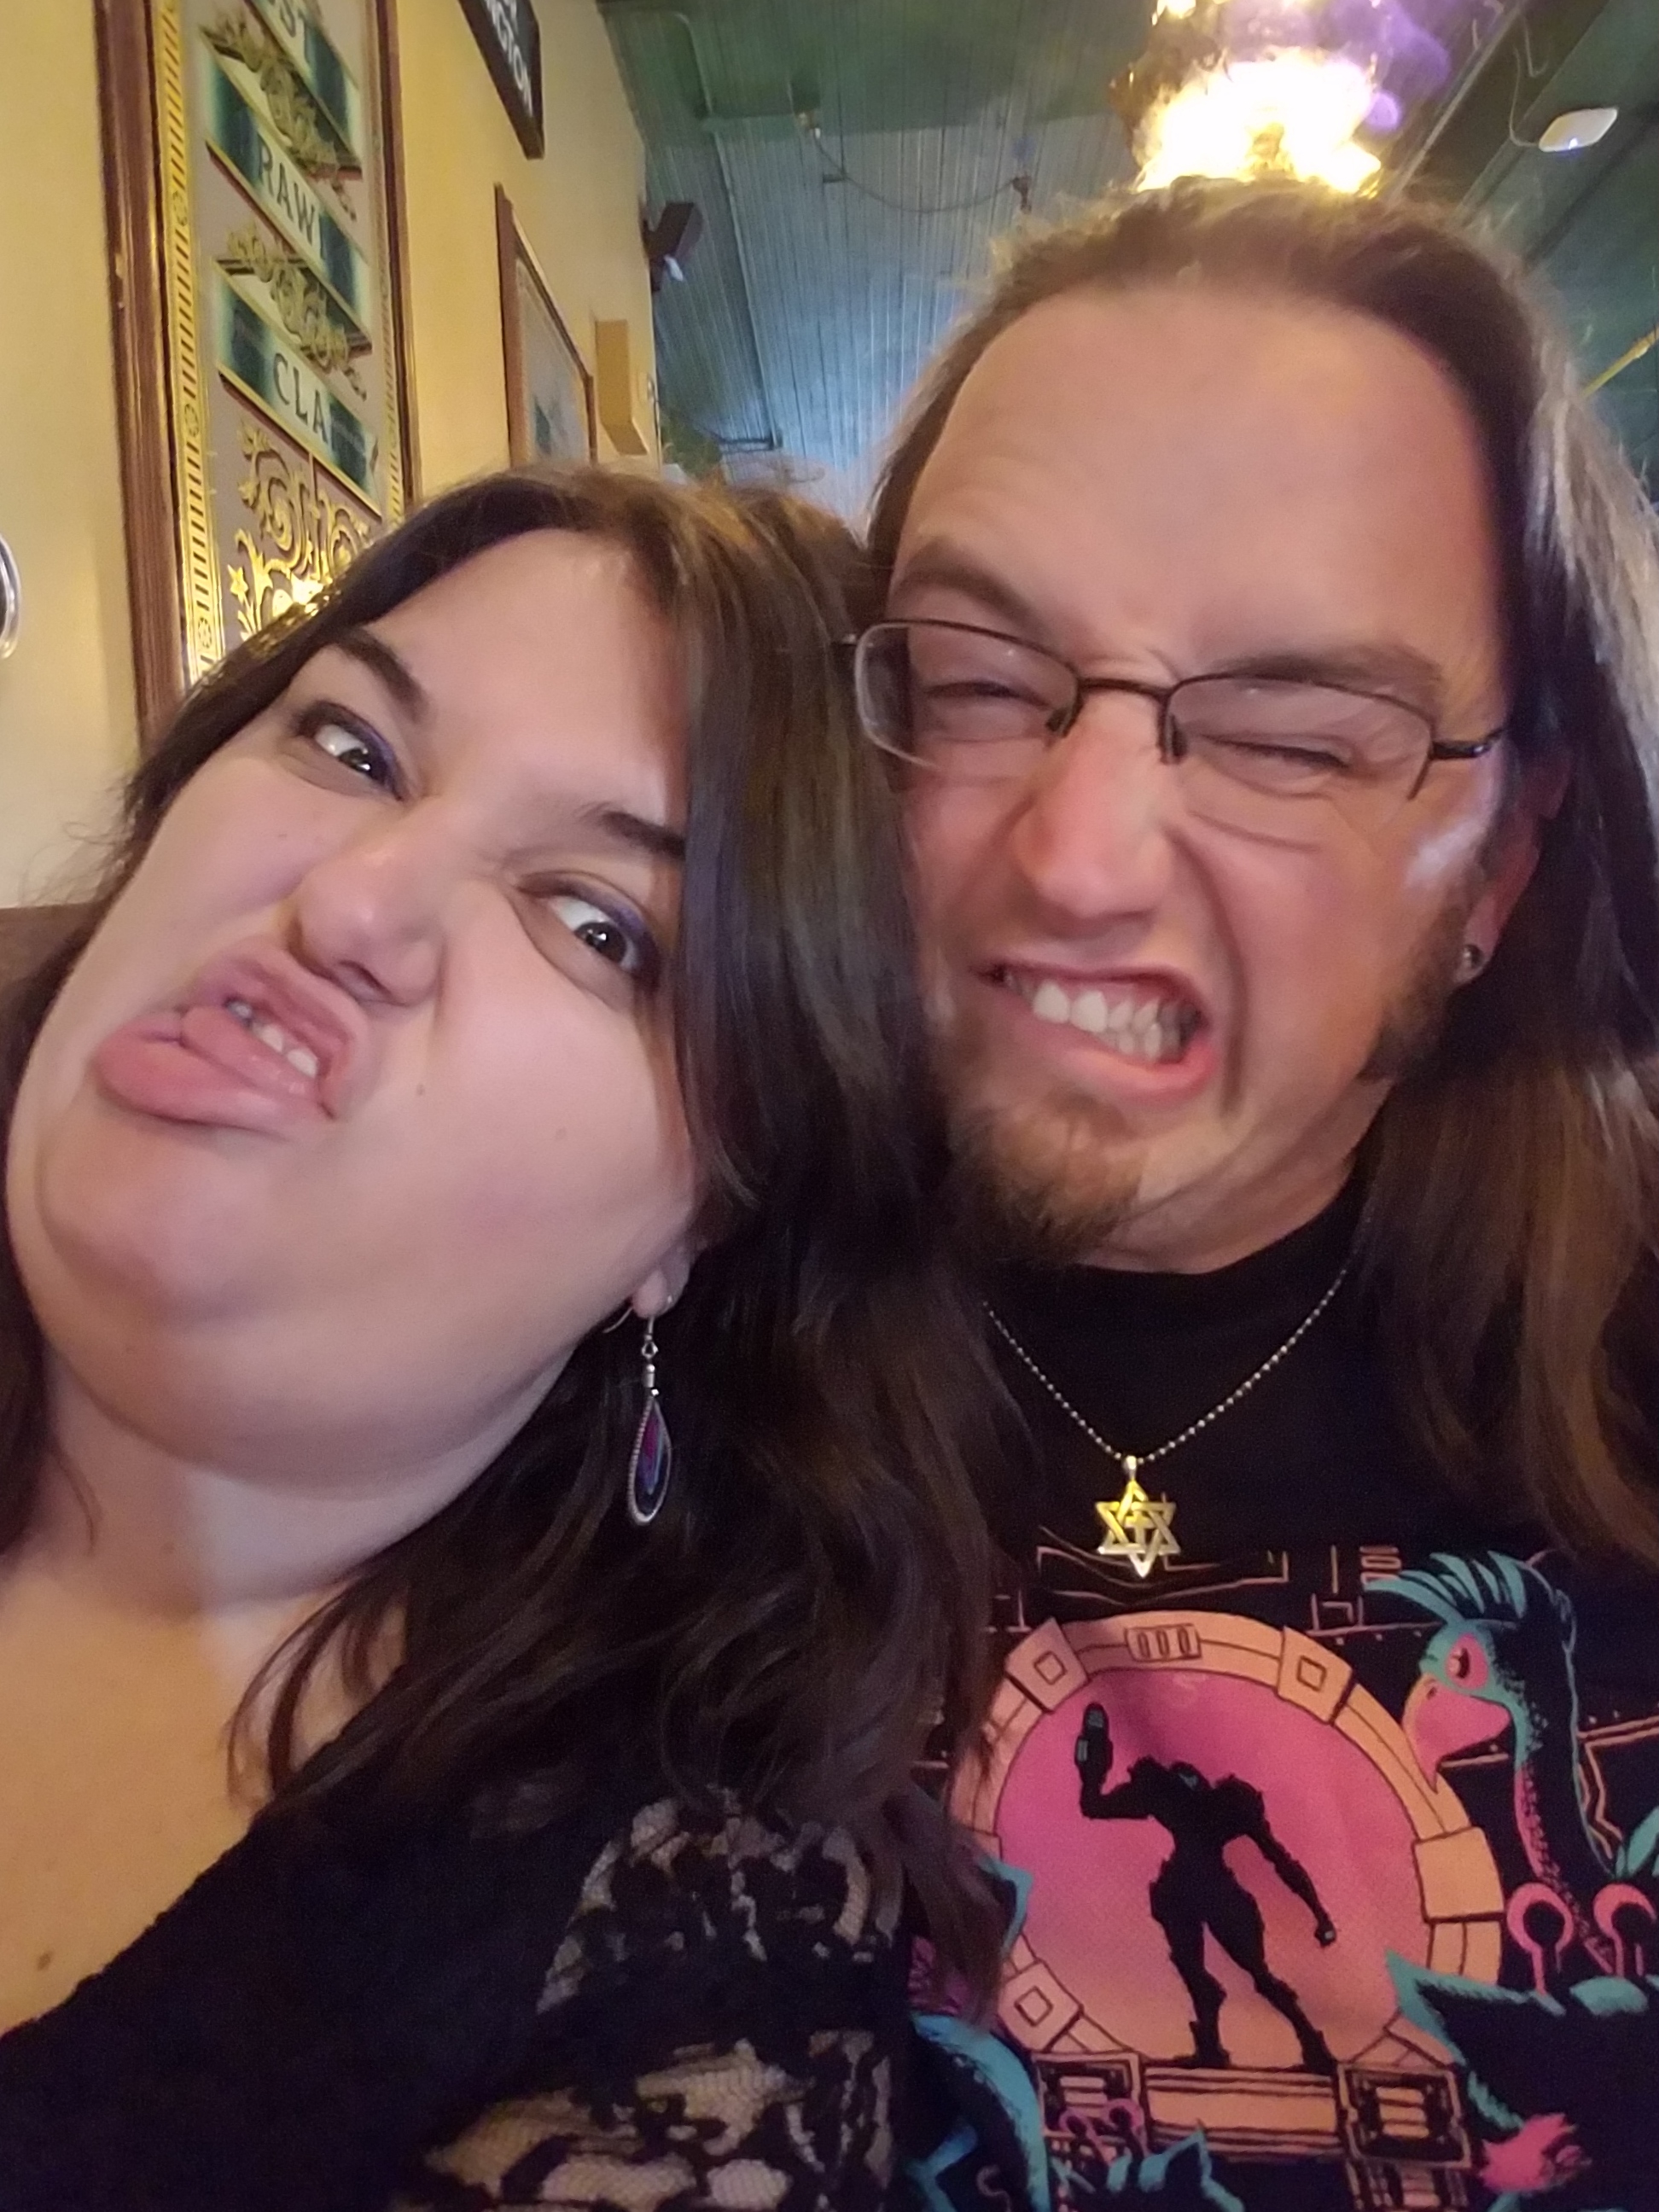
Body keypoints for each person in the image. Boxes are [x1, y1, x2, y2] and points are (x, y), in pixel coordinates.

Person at [0, 468, 1004, 2209]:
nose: (353, 904)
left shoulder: (680, 1970)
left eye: (598, 924)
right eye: (350, 747)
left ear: (698, 1228)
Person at [862, 182, 1659, 2209]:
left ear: (1499, 869)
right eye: (974, 683)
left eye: (1294, 738)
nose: (1078, 858)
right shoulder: (639, 1334)